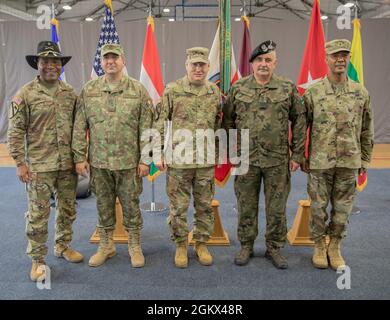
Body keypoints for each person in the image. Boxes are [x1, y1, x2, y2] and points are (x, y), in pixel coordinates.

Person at [223, 40, 306, 269]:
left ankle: (274, 247)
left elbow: (299, 120)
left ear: (275, 63)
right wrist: (231, 152)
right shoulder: (239, 88)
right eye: (259, 60)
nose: (263, 64)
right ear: (251, 63)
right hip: (246, 159)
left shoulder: (287, 87)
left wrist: (297, 154)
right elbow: (228, 120)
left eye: (268, 60)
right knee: (245, 205)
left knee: (276, 207)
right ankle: (246, 245)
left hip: (277, 160)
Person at [7, 41, 83, 282]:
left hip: (67, 165)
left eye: (55, 62)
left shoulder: (70, 93)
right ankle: (38, 260)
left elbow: (79, 128)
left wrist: (80, 157)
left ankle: (62, 246)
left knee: (68, 210)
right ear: (37, 65)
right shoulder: (25, 94)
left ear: (61, 65)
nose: (50, 66)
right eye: (45, 62)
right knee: (38, 215)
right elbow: (15, 130)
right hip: (39, 166)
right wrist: (20, 162)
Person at [72, 43, 153, 268]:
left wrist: (145, 159)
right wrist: (79, 157)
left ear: (123, 61)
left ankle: (135, 246)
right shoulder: (89, 90)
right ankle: (106, 246)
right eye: (106, 58)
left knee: (131, 206)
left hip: (129, 163)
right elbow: (80, 126)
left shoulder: (138, 90)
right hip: (100, 163)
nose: (110, 62)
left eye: (115, 58)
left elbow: (147, 128)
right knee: (103, 206)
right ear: (101, 62)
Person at [303, 39, 374, 270]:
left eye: (344, 55)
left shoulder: (360, 93)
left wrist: (365, 159)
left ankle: (334, 245)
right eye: (335, 55)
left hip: (349, 160)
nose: (340, 59)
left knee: (343, 208)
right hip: (320, 161)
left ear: (348, 59)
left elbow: (367, 129)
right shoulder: (313, 92)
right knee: (317, 207)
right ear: (326, 58)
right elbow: (302, 127)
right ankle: (319, 246)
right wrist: (300, 156)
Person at [154, 47, 221, 268]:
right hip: (179, 161)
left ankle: (201, 243)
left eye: (202, 65)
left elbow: (218, 125)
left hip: (205, 161)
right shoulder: (173, 90)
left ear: (208, 67)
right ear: (187, 66)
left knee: (204, 205)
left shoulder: (215, 92)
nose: (198, 69)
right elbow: (160, 122)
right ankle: (181, 244)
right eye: (194, 64)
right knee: (178, 207)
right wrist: (157, 152)